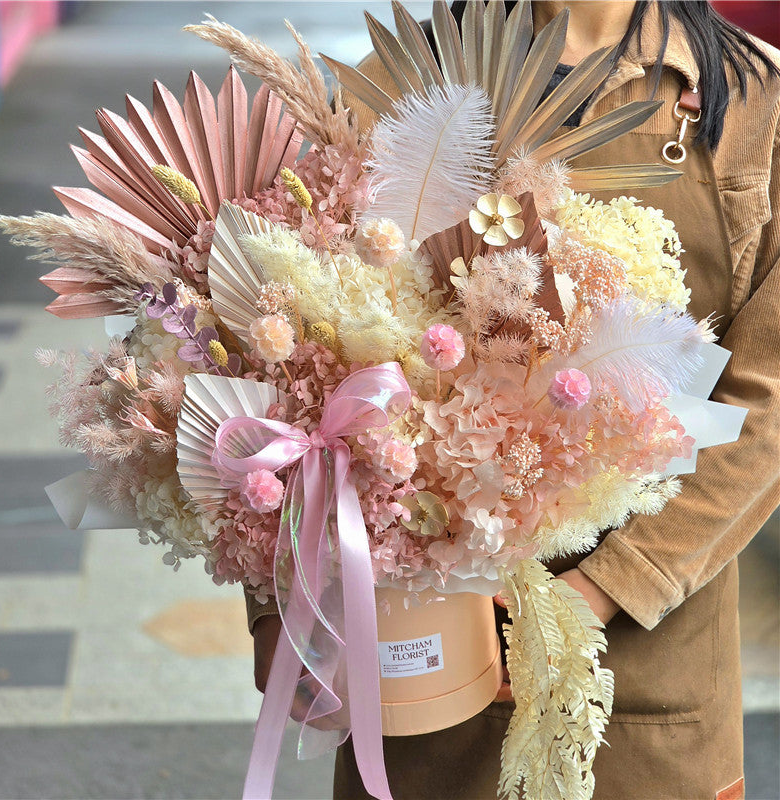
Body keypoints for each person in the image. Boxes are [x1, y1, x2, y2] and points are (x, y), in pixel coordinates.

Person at [247, 2, 780, 798]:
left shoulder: (751, 98)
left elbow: (766, 399)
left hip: (645, 674)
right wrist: (276, 607)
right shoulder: (393, 83)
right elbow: (284, 364)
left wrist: (600, 593)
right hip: (413, 644)